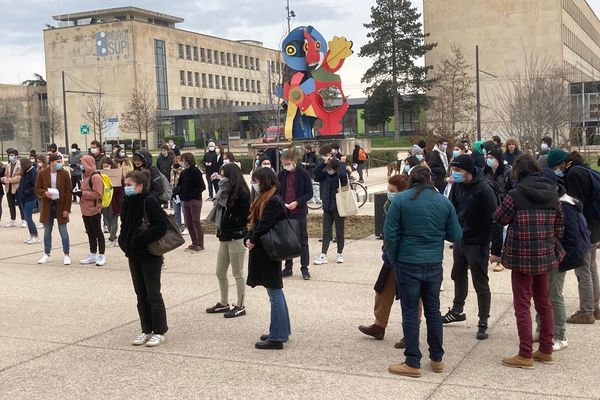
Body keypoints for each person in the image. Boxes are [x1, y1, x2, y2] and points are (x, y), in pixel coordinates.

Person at [385, 166, 463, 378]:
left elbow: (389, 234)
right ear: (430, 180)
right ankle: (437, 359)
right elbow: (455, 234)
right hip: (433, 263)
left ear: (411, 179)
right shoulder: (444, 202)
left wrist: (394, 258)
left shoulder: (400, 200)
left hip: (407, 262)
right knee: (433, 311)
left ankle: (412, 361)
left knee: (410, 312)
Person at [494, 155, 564, 369]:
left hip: (522, 256)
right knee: (544, 302)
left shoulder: (515, 194)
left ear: (517, 172)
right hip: (544, 255)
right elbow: (560, 228)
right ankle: (545, 349)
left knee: (522, 304)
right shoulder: (553, 193)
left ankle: (525, 354)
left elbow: (500, 218)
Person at [443, 154, 497, 340]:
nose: (454, 174)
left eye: (458, 171)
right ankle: (457, 310)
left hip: (478, 241)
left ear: (468, 170)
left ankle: (483, 322)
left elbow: (494, 218)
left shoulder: (484, 188)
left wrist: (494, 246)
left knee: (480, 282)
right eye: (453, 171)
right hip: (461, 238)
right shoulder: (458, 186)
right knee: (457, 274)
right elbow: (452, 208)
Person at [536, 168, 590, 351]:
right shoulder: (551, 202)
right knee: (541, 293)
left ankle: (560, 335)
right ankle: (542, 328)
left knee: (554, 295)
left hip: (559, 257)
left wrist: (560, 259)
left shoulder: (565, 206)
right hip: (548, 254)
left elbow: (571, 238)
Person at [118, 170, 169, 348]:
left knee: (153, 293)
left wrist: (141, 238)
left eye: (129, 185)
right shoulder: (126, 203)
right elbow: (125, 225)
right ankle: (146, 329)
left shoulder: (149, 201)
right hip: (133, 254)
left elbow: (161, 225)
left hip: (150, 253)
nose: (126, 188)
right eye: (125, 185)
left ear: (140, 186)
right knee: (140, 293)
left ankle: (159, 331)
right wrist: (123, 241)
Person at [358, 174, 410, 346]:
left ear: (402, 192)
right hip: (390, 257)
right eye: (388, 190)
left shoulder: (408, 207)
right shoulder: (390, 205)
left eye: (392, 191)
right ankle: (379, 326)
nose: (389, 194)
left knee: (411, 297)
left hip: (405, 257)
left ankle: (410, 333)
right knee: (382, 291)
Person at [246, 167, 290, 350]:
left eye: (256, 181)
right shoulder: (267, 198)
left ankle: (278, 336)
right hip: (264, 250)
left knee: (274, 292)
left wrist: (252, 239)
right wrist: (248, 237)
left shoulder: (273, 200)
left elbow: (264, 225)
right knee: (275, 291)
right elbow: (256, 223)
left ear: (264, 181)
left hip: (269, 252)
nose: (255, 185)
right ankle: (281, 330)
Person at [206, 163, 250, 318]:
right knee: (220, 272)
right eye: (220, 175)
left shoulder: (242, 193)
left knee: (237, 273)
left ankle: (240, 305)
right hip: (224, 235)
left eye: (224, 176)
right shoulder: (223, 192)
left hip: (236, 236)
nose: (221, 179)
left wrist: (229, 220)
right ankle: (224, 303)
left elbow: (244, 217)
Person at [563, 151, 600, 324]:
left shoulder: (574, 174)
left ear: (568, 162)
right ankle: (595, 307)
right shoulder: (586, 171)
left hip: (584, 228)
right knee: (591, 268)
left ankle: (586, 311)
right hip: (594, 226)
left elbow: (577, 203)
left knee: (583, 269)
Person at [279, 150, 313, 280]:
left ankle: (304, 268)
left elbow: (309, 193)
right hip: (286, 212)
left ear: (294, 161)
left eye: (287, 163)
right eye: (283, 164)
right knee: (287, 241)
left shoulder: (303, 174)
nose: (285, 166)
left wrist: (297, 202)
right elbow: (278, 191)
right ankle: (288, 267)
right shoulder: (281, 175)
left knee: (302, 240)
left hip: (298, 212)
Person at [34, 154, 71, 265]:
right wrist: (44, 193)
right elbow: (37, 188)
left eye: (60, 161)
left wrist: (67, 209)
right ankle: (47, 253)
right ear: (51, 163)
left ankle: (66, 254)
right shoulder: (42, 173)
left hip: (61, 204)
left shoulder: (64, 174)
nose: (60, 163)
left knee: (63, 231)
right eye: (57, 161)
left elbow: (68, 192)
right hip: (48, 204)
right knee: (47, 231)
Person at [313, 152, 348, 265]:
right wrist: (324, 162)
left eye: (331, 168)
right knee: (326, 232)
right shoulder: (326, 176)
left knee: (339, 232)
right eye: (328, 168)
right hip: (327, 208)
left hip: (339, 208)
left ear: (336, 168)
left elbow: (343, 175)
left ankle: (339, 253)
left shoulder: (341, 176)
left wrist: (342, 163)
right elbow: (316, 172)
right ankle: (323, 255)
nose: (329, 170)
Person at [484, 149, 512, 271]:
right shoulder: (484, 172)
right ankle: (483, 257)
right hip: (486, 204)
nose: (489, 159)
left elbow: (510, 189)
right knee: (485, 231)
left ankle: (498, 259)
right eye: (488, 156)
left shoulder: (507, 172)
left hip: (501, 204)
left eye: (492, 157)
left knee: (498, 232)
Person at [77, 155, 107, 266]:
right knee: (90, 232)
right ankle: (93, 253)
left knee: (97, 232)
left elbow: (98, 194)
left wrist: (83, 193)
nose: (81, 166)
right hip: (85, 209)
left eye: (83, 163)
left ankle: (102, 255)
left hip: (94, 209)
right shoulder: (84, 176)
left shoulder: (95, 177)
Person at [176, 152, 206, 252]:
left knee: (196, 221)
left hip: (195, 199)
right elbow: (180, 185)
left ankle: (200, 244)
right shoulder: (184, 172)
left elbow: (201, 187)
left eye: (183, 160)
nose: (182, 162)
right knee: (188, 222)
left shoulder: (196, 171)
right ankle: (194, 242)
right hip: (185, 200)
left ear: (187, 160)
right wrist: (178, 192)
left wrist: (191, 194)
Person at [100, 158, 123, 247]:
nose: (106, 168)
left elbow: (120, 188)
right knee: (107, 217)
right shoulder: (100, 174)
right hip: (105, 199)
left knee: (114, 218)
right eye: (104, 166)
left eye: (107, 166)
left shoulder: (117, 175)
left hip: (115, 200)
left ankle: (112, 238)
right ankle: (114, 237)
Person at [16, 158, 39, 244]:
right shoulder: (25, 172)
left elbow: (34, 186)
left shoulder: (32, 172)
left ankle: (35, 235)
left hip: (30, 198)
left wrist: (25, 192)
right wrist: (19, 192)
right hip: (23, 197)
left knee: (28, 217)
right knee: (26, 217)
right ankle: (31, 235)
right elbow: (21, 183)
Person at [1, 148, 25, 227]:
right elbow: (6, 175)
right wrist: (4, 178)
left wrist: (10, 180)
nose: (10, 157)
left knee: (20, 204)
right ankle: (12, 219)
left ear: (16, 156)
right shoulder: (8, 165)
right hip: (9, 188)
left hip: (17, 188)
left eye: (12, 155)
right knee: (10, 204)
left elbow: (20, 177)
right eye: (9, 155)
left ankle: (24, 219)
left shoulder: (20, 165)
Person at [170, 157, 186, 234]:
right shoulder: (172, 170)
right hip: (174, 193)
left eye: (178, 161)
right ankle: (178, 227)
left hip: (182, 193)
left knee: (184, 211)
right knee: (176, 211)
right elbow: (171, 181)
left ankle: (187, 226)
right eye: (175, 161)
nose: (176, 163)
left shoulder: (183, 170)